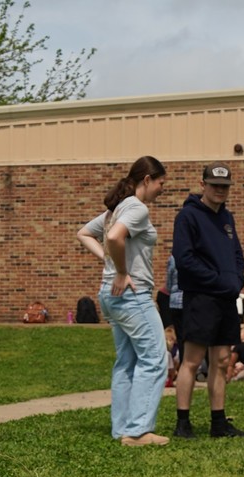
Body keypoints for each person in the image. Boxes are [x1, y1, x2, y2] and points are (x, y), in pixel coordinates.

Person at [77, 156, 169, 447]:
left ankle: (123, 430)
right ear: (146, 180)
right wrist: (120, 271)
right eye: (160, 184)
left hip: (112, 297)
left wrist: (109, 262)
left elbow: (84, 233)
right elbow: (115, 238)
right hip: (132, 296)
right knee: (155, 358)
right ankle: (139, 431)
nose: (161, 190)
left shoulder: (116, 209)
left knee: (127, 361)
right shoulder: (136, 208)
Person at [172, 162, 244, 438]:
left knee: (221, 360)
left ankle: (218, 422)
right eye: (215, 185)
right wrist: (219, 281)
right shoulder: (188, 216)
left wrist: (237, 279)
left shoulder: (227, 218)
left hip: (226, 299)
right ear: (203, 185)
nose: (220, 191)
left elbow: (237, 255)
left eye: (225, 187)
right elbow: (184, 260)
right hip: (201, 298)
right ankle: (183, 422)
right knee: (191, 361)